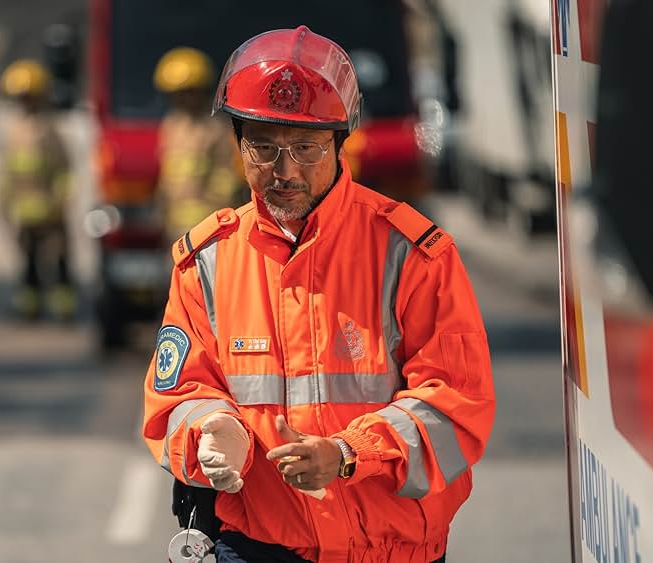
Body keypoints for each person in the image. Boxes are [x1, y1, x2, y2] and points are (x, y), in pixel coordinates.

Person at [142, 26, 495, 562]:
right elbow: (177, 398)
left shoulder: (415, 254)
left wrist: (351, 453)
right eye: (262, 148)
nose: (284, 172)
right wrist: (211, 431)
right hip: (258, 543)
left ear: (339, 143)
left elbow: (457, 404)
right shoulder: (205, 262)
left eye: (305, 148)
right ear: (236, 145)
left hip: (392, 550)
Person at [0, 59, 76, 321]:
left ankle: (64, 308)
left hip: (50, 212)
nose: (24, 102)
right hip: (24, 213)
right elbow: (7, 172)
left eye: (29, 97)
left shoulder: (49, 130)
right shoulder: (14, 131)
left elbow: (64, 170)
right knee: (28, 263)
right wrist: (1, 203)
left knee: (58, 261)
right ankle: (29, 308)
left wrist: (60, 201)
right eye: (21, 97)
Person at [153, 46, 245, 243]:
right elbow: (166, 179)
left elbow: (227, 179)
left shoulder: (217, 130)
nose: (181, 100)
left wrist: (215, 221)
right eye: (176, 94)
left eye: (187, 93)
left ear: (202, 91)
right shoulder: (171, 126)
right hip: (175, 230)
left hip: (210, 230)